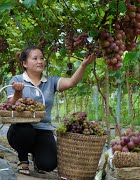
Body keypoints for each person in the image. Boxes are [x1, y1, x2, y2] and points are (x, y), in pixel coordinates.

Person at [6, 46, 96, 175]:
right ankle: (23, 159)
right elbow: (11, 106)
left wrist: (83, 66)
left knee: (48, 165)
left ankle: (37, 158)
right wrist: (18, 92)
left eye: (42, 58)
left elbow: (71, 82)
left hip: (43, 129)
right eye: (35, 58)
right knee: (25, 131)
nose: (40, 61)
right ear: (25, 63)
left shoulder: (51, 81)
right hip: (21, 129)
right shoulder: (17, 80)